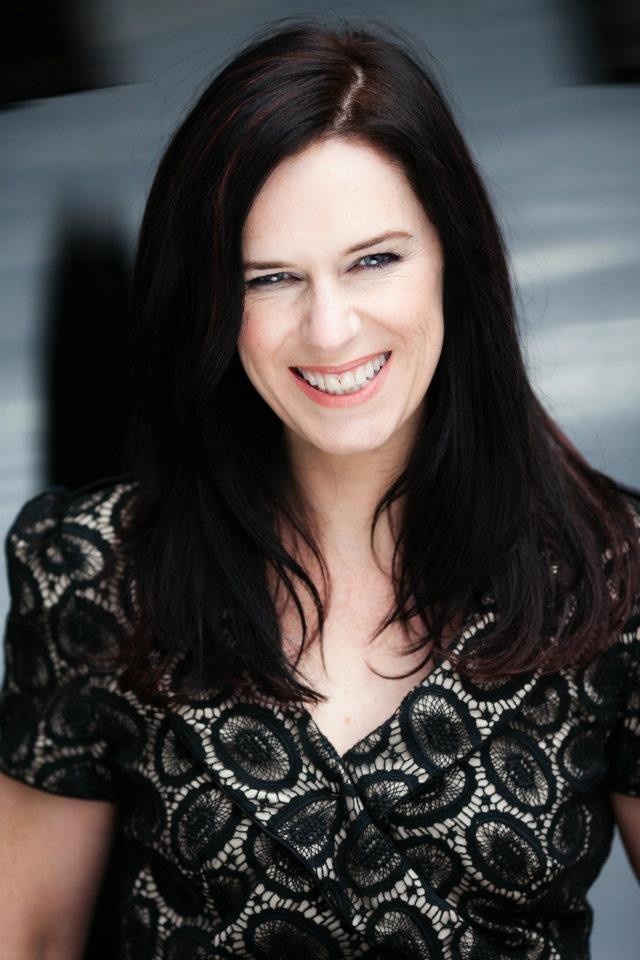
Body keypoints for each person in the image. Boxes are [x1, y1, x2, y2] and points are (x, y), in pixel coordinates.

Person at [1, 15, 639, 960]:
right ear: (214, 302)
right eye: (270, 279)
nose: (330, 329)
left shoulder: (613, 574)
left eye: (374, 259)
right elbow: (30, 939)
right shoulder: (95, 570)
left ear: (453, 260)